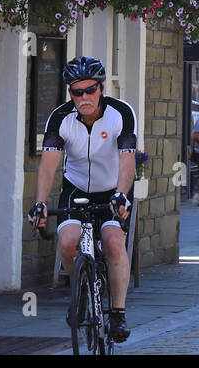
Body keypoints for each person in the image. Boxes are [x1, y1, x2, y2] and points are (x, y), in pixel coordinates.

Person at [29, 56, 135, 343]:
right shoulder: (60, 118)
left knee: (113, 243)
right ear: (70, 92)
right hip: (76, 190)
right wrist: (39, 202)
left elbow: (127, 162)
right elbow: (49, 165)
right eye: (78, 91)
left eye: (90, 90)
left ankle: (118, 312)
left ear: (101, 88)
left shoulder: (121, 113)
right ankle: (82, 292)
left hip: (113, 190)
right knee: (67, 242)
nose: (84, 97)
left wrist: (122, 195)